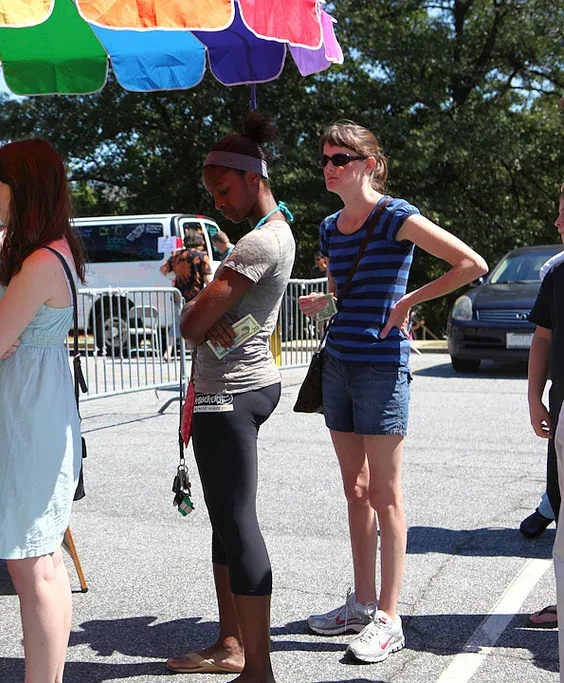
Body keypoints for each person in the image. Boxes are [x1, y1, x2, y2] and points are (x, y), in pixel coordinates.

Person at [298, 121, 487, 663]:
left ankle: (389, 616)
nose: (330, 167)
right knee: (355, 491)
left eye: (341, 157)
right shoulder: (330, 227)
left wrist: (407, 304)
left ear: (370, 163)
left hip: (382, 366)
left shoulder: (395, 216)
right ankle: (359, 605)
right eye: (325, 159)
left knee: (385, 494)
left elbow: (469, 264)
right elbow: (344, 293)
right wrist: (323, 303)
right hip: (338, 364)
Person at [165, 114, 294, 682]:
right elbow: (206, 313)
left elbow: (193, 325)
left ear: (249, 177)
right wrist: (206, 308)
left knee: (237, 523)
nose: (217, 203)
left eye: (222, 190)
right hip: (243, 385)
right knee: (224, 520)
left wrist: (200, 308)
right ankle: (230, 642)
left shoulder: (258, 241)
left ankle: (255, 666)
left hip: (230, 395)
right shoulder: (278, 228)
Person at [0, 138, 84, 683]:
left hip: (29, 417)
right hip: (35, 412)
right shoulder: (56, 250)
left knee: (34, 564)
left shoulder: (38, 261)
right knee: (38, 559)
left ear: (24, 187)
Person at [523, 185, 564, 630]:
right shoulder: (557, 274)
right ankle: (562, 600)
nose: (557, 222)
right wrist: (534, 398)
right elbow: (543, 338)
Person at [160, 230, 215, 303]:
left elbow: (163, 269)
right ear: (200, 242)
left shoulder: (177, 255)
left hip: (179, 296)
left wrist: (174, 276)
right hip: (196, 297)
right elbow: (208, 279)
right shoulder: (202, 256)